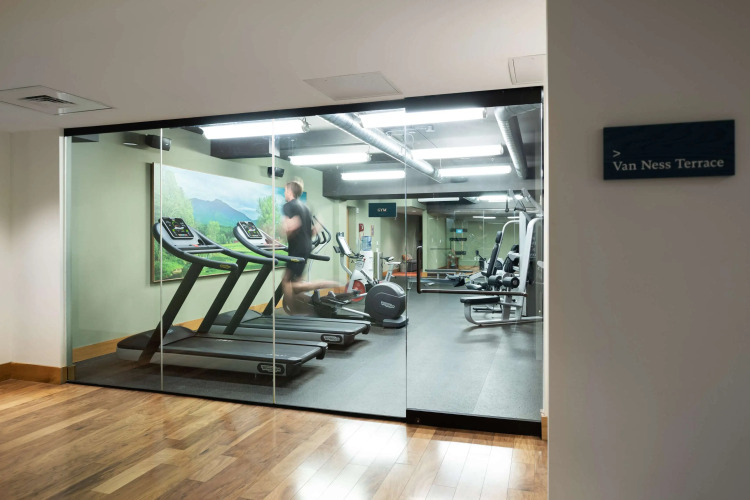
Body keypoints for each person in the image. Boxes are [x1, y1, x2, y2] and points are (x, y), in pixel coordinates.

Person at [281, 178, 338, 313]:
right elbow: (312, 232)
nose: (284, 193)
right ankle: (308, 306)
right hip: (306, 247)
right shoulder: (306, 208)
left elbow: (291, 227)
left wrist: (282, 230)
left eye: (285, 190)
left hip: (296, 248)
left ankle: (295, 311)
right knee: (297, 281)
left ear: (290, 191)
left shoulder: (288, 206)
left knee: (287, 282)